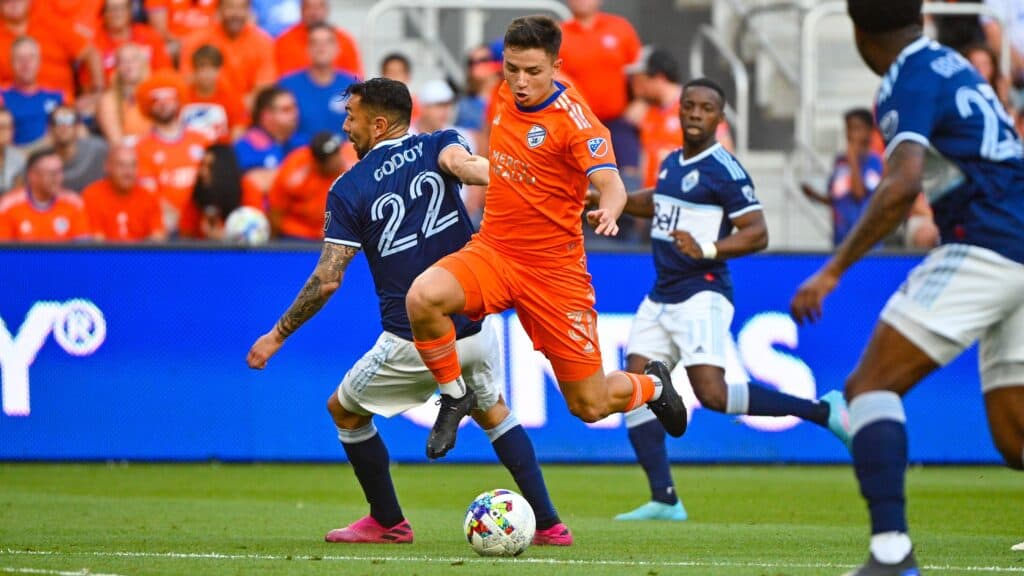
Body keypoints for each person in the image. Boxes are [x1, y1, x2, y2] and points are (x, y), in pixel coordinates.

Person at [246, 77, 573, 546]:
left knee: (344, 410)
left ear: (378, 124)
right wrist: (531, 183)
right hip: (474, 323)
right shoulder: (441, 143)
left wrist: (277, 334)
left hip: (414, 338)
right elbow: (468, 166)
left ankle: (387, 521)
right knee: (493, 410)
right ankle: (550, 524)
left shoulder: (348, 188)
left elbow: (328, 278)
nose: (346, 127)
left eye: (352, 118)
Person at [790, 1, 1024, 573]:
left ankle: (890, 553)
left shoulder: (906, 77)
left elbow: (903, 182)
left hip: (989, 242)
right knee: (1016, 435)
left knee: (869, 386)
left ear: (858, 32)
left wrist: (832, 269)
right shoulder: (950, 62)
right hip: (1016, 240)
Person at [404, 16, 689, 460]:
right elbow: (503, 163)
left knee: (589, 405)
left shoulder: (577, 122)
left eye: (533, 71)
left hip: (553, 272)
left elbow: (611, 183)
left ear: (556, 65)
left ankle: (652, 385)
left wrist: (610, 210)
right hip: (495, 251)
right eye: (511, 68)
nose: (519, 81)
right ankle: (454, 395)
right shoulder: (501, 95)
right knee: (422, 298)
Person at [610, 78, 851, 522]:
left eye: (706, 107)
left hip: (702, 292)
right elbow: (659, 201)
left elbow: (758, 232)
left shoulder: (725, 169)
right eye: (689, 105)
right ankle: (664, 499)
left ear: (720, 119)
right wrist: (614, 201)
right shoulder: (670, 162)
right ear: (679, 111)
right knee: (632, 388)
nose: (696, 113)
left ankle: (822, 410)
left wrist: (708, 248)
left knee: (713, 394)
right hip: (661, 294)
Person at [559, 0, 643, 175]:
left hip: (619, 120)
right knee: (583, 180)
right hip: (577, 124)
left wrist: (641, 101)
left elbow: (639, 69)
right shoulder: (558, 35)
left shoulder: (620, 28)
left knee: (630, 177)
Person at [135, 69, 212, 235]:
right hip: (168, 226)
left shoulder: (203, 139)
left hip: (203, 221)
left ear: (178, 100)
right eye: (156, 100)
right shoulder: (141, 147)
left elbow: (213, 182)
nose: (163, 104)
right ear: (147, 105)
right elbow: (149, 195)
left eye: (168, 98)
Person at [801, 108, 885, 247]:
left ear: (870, 131)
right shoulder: (840, 162)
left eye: (857, 128)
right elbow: (836, 199)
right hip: (840, 239)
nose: (851, 133)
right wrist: (815, 196)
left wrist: (852, 158)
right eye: (848, 128)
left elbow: (859, 194)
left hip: (867, 243)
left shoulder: (874, 162)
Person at [178, 0, 276, 109]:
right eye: (230, 7)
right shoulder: (196, 40)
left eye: (242, 8)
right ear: (219, 10)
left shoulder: (263, 41)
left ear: (249, 11)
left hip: (246, 109)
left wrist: (235, 107)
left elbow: (264, 88)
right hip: (205, 107)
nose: (236, 13)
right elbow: (188, 82)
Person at [276, 22, 358, 143]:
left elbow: (361, 131)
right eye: (315, 43)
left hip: (344, 158)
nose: (321, 47)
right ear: (307, 49)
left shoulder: (353, 86)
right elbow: (279, 131)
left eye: (327, 42)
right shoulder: (286, 86)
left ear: (337, 48)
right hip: (299, 156)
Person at [267, 131, 344, 241]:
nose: (338, 160)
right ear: (318, 163)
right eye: (331, 159)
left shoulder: (352, 162)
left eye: (337, 153)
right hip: (298, 236)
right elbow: (276, 209)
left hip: (338, 235)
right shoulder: (295, 170)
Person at [0, 147, 90, 241]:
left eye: (60, 172)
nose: (58, 178)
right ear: (33, 176)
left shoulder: (74, 203)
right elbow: (3, 251)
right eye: (52, 174)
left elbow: (82, 250)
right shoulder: (8, 206)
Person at [81, 144, 166, 242]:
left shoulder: (148, 196)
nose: (128, 172)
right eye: (121, 165)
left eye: (132, 165)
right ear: (108, 167)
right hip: (106, 255)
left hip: (141, 255)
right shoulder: (92, 195)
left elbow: (158, 236)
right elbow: (96, 240)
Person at [234, 86, 303, 194]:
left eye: (295, 108)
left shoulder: (301, 142)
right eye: (286, 110)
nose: (294, 114)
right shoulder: (247, 146)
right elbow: (253, 182)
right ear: (267, 116)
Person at [2, 36, 63, 150]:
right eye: (20, 59)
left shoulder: (56, 96)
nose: (26, 64)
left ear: (39, 61)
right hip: (14, 161)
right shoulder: (2, 97)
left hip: (52, 157)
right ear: (11, 63)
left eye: (31, 58)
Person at [274, 0, 362, 78]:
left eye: (319, 6)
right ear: (301, 10)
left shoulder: (345, 41)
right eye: (309, 7)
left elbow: (356, 80)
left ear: (327, 9)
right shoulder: (284, 42)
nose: (314, 12)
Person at [182, 44, 246, 143]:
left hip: (220, 151)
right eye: (202, 68)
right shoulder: (183, 96)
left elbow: (238, 130)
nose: (207, 74)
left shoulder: (232, 98)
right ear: (194, 70)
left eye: (212, 68)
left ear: (219, 70)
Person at [96, 42, 152, 145]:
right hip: (128, 152)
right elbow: (116, 142)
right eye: (123, 61)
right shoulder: (109, 100)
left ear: (144, 63)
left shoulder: (155, 93)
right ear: (117, 68)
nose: (129, 64)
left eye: (134, 59)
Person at [48, 105, 108, 193]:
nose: (64, 126)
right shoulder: (43, 161)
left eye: (69, 121)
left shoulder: (98, 150)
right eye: (58, 121)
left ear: (78, 127)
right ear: (50, 128)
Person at [0, 109, 26, 195]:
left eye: (9, 127)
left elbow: (19, 193)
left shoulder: (18, 157)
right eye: (2, 127)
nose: (6, 132)